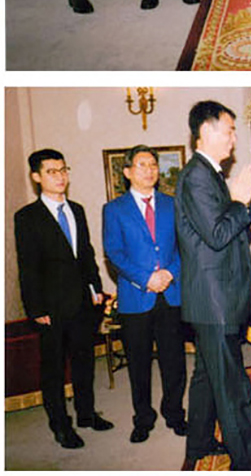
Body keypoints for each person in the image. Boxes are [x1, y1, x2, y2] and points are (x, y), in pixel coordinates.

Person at [175, 101, 251, 471]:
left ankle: (198, 443)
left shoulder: (208, 173)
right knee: (232, 387)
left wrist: (238, 202)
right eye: (229, 130)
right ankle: (247, 462)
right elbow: (217, 235)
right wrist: (240, 201)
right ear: (207, 131)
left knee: (207, 377)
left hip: (212, 298)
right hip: (215, 300)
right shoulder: (198, 175)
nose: (233, 139)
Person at [14, 149, 113, 448]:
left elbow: (86, 254)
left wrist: (96, 288)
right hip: (51, 308)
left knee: (84, 362)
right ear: (36, 177)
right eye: (51, 171)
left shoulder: (76, 210)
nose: (60, 177)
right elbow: (28, 266)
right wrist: (36, 308)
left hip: (82, 303)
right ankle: (60, 425)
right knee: (54, 369)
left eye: (63, 169)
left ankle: (86, 414)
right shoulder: (27, 217)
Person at [103, 145, 187, 444]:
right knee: (138, 364)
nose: (150, 170)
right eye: (142, 165)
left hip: (170, 294)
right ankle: (143, 418)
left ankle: (175, 414)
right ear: (127, 172)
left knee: (174, 361)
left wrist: (169, 273)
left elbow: (183, 247)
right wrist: (146, 278)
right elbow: (114, 252)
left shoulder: (172, 204)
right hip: (136, 297)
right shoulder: (114, 209)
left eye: (153, 164)